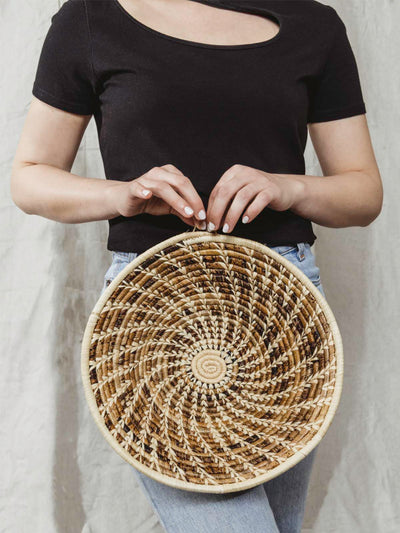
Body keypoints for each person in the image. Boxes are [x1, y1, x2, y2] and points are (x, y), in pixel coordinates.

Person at [10, 1, 383, 531]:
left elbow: (363, 192)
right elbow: (30, 175)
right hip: (151, 317)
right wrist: (124, 195)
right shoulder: (92, 18)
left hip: (285, 319)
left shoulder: (313, 24)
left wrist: (289, 185)